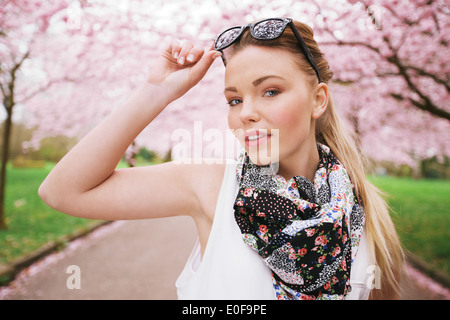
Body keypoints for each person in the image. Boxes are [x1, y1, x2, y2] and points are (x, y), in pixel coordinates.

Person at [39, 17, 404, 300]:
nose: (246, 112)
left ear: (318, 100)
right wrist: (156, 93)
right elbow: (63, 191)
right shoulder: (211, 185)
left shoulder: (363, 212)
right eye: (234, 99)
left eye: (270, 91)